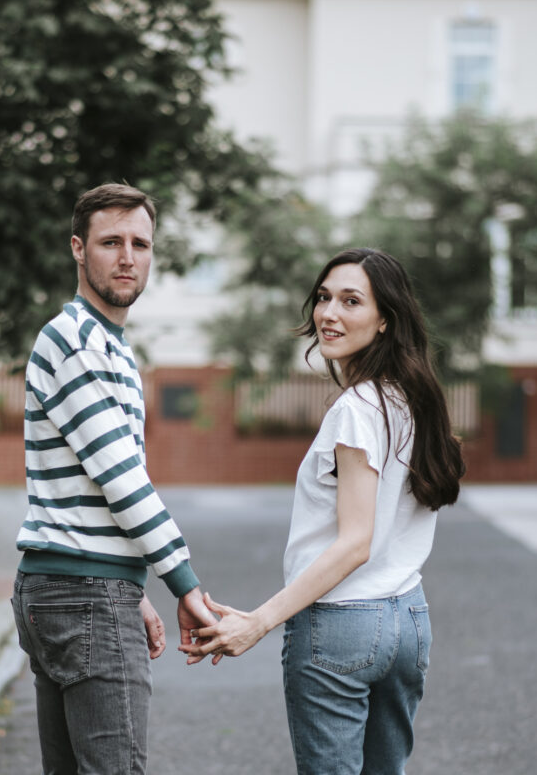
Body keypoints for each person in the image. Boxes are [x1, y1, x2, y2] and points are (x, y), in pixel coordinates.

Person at [186, 247, 465, 775]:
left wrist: (259, 622)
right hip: (408, 620)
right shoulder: (410, 399)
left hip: (341, 626)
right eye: (323, 297)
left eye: (351, 301)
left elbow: (356, 542)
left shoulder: (357, 410)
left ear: (385, 319)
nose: (329, 314)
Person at [12, 183, 213, 775]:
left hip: (75, 586)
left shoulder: (108, 344)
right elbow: (122, 478)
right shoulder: (78, 340)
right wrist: (184, 584)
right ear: (78, 248)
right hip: (83, 595)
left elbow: (92, 486)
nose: (127, 257)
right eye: (110, 242)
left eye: (140, 244)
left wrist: (132, 588)